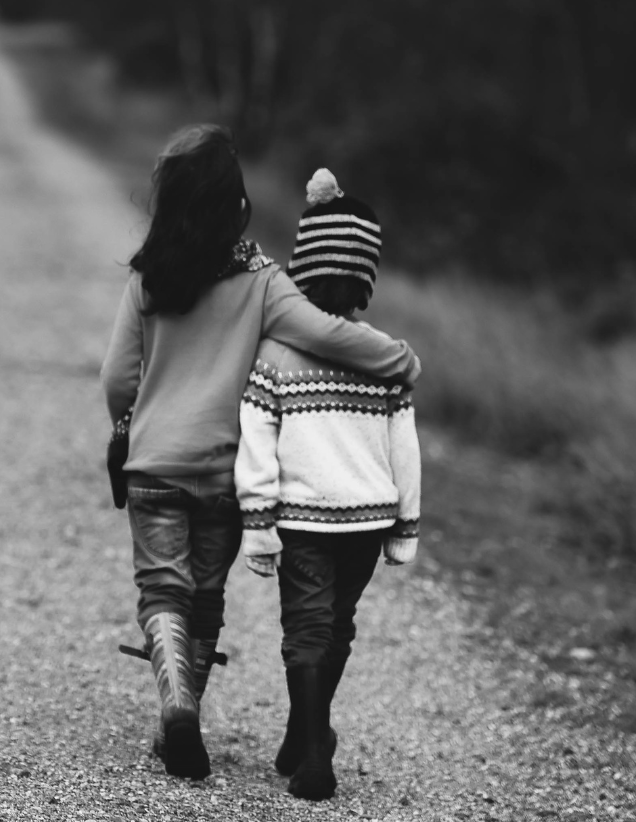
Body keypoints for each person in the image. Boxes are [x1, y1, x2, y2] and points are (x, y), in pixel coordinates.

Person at [100, 128, 421, 782]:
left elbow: (116, 378)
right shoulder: (263, 282)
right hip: (224, 473)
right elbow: (327, 334)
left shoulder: (147, 279)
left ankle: (178, 704)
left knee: (162, 589)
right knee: (206, 597)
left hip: (154, 466)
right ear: (236, 205)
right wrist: (400, 360)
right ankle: (187, 709)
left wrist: (130, 424)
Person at [234, 168, 422, 801]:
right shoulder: (382, 357)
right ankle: (305, 732)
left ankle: (314, 750)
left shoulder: (277, 354)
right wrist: (406, 526)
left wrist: (257, 525)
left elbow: (256, 442)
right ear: (365, 279)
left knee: (306, 630)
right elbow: (406, 449)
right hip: (367, 520)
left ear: (301, 270)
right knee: (337, 626)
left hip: (303, 519)